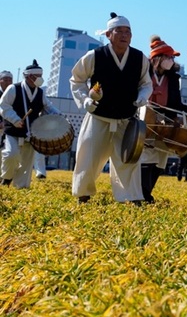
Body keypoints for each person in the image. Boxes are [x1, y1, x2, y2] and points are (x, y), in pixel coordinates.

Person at [71, 14, 153, 203]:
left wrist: (142, 97)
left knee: (128, 160)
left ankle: (132, 198)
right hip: (98, 117)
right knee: (89, 157)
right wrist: (85, 100)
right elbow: (77, 80)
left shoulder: (139, 58)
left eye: (128, 32)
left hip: (126, 119)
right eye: (119, 31)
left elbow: (146, 84)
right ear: (108, 34)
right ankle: (83, 194)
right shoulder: (95, 56)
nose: (124, 35)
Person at [139, 35, 187, 203]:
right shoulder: (144, 73)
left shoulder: (173, 78)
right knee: (147, 154)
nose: (171, 60)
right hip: (145, 119)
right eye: (169, 57)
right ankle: (143, 194)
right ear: (159, 58)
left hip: (166, 120)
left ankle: (147, 192)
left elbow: (175, 103)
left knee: (160, 158)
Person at [1, 60, 62, 188]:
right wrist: (15, 119)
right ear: (29, 76)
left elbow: (48, 107)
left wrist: (59, 115)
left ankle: (21, 187)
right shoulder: (14, 88)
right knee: (12, 155)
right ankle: (6, 178)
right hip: (13, 131)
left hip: (31, 133)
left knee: (27, 163)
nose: (40, 79)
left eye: (41, 76)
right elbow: (3, 105)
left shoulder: (40, 92)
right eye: (37, 76)